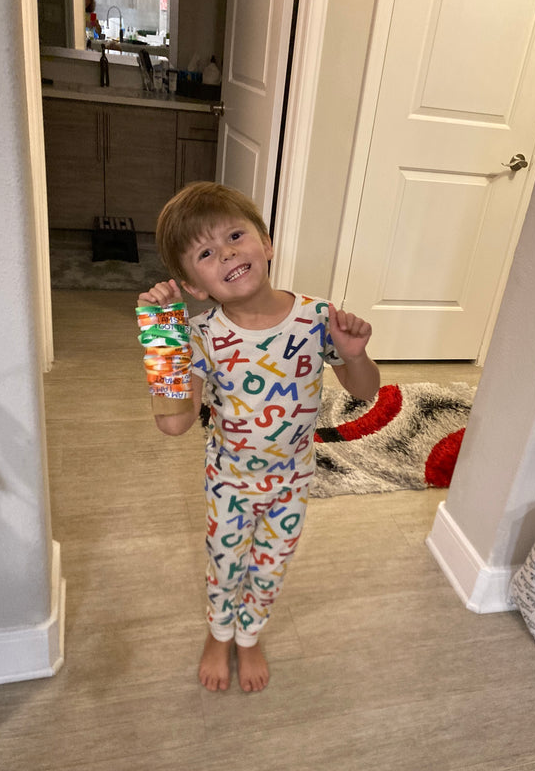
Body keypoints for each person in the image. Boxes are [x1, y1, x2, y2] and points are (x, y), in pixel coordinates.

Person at [137, 182, 380, 693]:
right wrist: (164, 335)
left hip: (294, 479)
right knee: (226, 565)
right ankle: (218, 632)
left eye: (234, 235)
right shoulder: (202, 335)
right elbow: (174, 422)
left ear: (265, 243)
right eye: (206, 252)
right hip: (230, 481)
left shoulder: (316, 318)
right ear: (195, 285)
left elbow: (366, 394)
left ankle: (249, 635)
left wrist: (354, 354)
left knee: (271, 567)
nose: (226, 252)